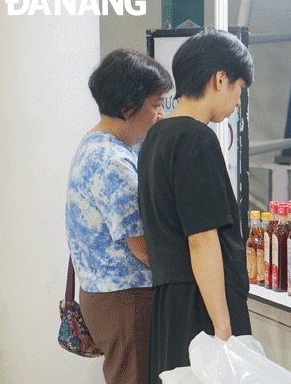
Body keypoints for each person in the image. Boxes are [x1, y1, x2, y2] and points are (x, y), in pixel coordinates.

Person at [137, 28, 254, 384]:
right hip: (200, 305)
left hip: (172, 302)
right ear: (220, 79)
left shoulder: (156, 136)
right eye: (238, 90)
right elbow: (201, 239)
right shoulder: (196, 138)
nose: (237, 103)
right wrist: (223, 328)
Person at [65, 49, 173, 383]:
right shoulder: (112, 162)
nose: (159, 115)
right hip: (127, 299)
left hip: (109, 297)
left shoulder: (99, 145)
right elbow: (142, 247)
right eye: (155, 104)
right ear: (128, 106)